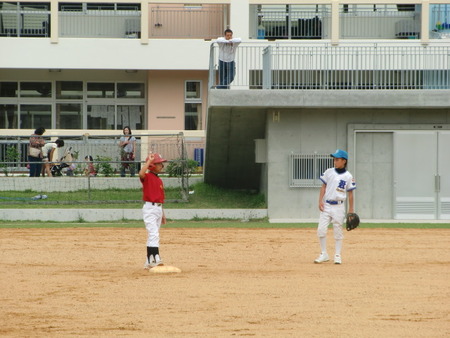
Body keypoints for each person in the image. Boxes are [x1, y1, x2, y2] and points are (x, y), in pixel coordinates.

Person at [314, 149, 356, 265]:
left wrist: (351, 210)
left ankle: (337, 255)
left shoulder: (348, 176)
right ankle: (324, 254)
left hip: (339, 206)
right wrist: (320, 201)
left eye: (337, 159)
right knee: (321, 230)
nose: (334, 161)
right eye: (334, 159)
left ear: (344, 161)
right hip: (327, 205)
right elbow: (323, 186)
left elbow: (351, 193)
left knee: (338, 230)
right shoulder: (329, 172)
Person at [139, 152, 168, 269]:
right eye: (159, 164)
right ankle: (155, 257)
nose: (162, 166)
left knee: (153, 234)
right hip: (150, 208)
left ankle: (148, 261)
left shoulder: (159, 180)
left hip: (158, 208)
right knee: (153, 234)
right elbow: (141, 173)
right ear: (152, 166)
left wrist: (163, 214)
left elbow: (160, 198)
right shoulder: (147, 177)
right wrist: (149, 162)